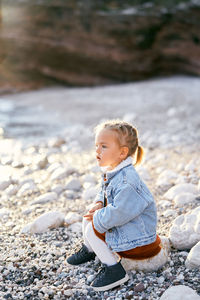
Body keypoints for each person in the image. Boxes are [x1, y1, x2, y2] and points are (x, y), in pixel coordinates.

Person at [67, 120, 161, 292]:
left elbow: (120, 211)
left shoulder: (128, 181)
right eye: (96, 145)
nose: (97, 150)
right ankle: (90, 250)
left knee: (92, 227)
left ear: (122, 152)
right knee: (89, 217)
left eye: (103, 146)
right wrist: (97, 204)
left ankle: (114, 270)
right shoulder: (114, 171)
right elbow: (103, 192)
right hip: (129, 230)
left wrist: (97, 220)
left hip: (139, 242)